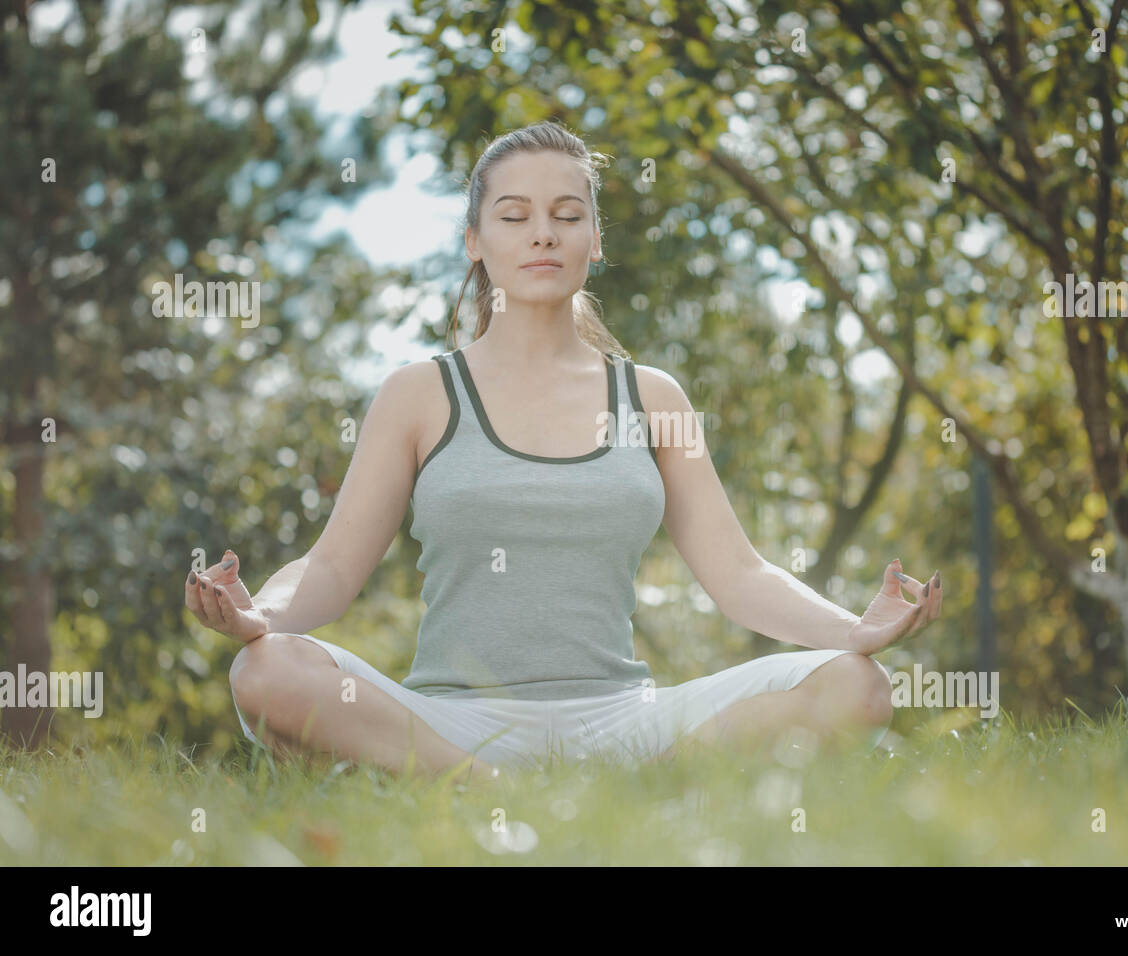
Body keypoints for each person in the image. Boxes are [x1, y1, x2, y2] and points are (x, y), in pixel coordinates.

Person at [184, 120, 942, 787]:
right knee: (266, 667)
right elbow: (334, 568)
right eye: (514, 216)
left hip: (624, 722)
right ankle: (482, 788)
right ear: (476, 242)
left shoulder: (654, 399)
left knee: (857, 686)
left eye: (566, 215)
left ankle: (632, 784)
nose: (542, 233)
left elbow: (739, 575)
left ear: (594, 239)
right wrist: (263, 613)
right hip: (451, 725)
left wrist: (853, 631)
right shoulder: (418, 393)